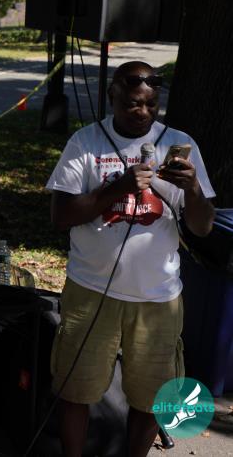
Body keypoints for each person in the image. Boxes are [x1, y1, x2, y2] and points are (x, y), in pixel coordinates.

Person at [46, 61, 215, 456]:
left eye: (151, 104)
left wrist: (192, 188)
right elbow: (61, 215)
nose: (142, 111)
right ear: (113, 96)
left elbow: (203, 227)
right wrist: (118, 187)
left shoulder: (179, 142)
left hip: (157, 297)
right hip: (91, 291)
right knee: (75, 390)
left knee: (153, 396)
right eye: (133, 104)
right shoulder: (86, 142)